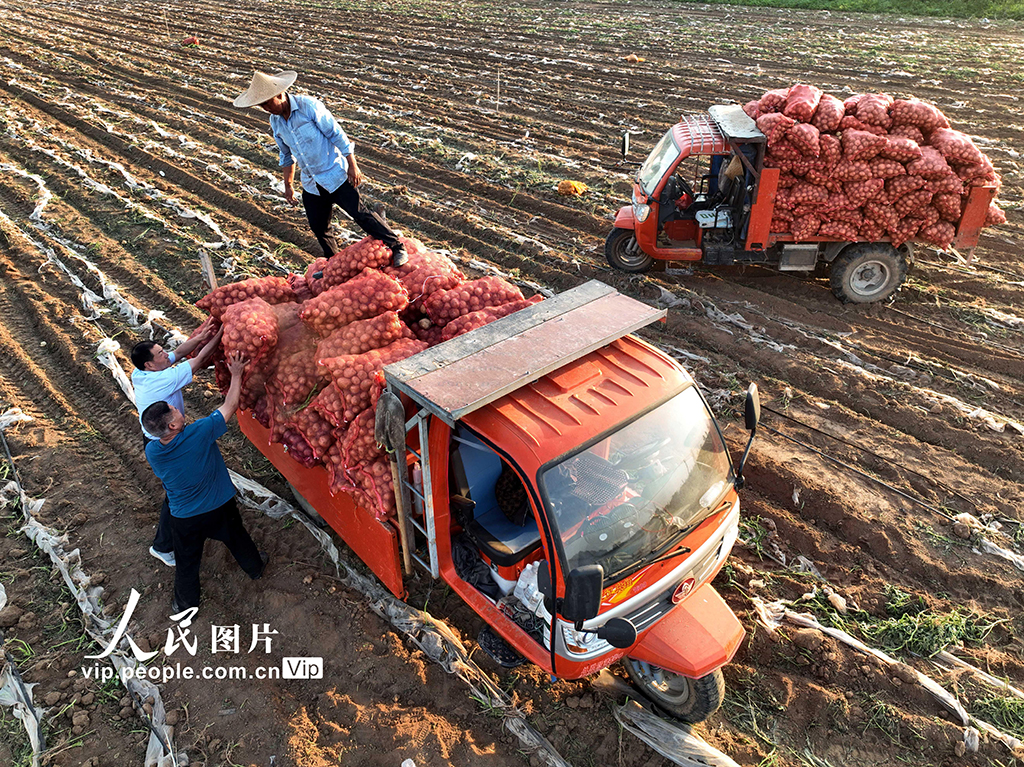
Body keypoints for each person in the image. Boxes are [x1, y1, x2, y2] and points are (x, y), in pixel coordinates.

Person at [232, 70, 408, 267]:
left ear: (279, 94)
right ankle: (335, 264)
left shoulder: (309, 107)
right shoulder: (276, 122)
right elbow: (285, 155)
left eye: (266, 103)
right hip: (311, 182)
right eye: (261, 105)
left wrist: (353, 165)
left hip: (334, 173)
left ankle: (397, 246)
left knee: (360, 214)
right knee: (319, 227)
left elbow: (337, 134)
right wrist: (288, 185)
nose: (265, 108)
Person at [141, 352, 267, 613]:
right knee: (237, 538)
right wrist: (235, 374)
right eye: (174, 410)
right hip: (218, 505)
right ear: (174, 425)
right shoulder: (199, 432)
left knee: (187, 561)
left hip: (184, 516)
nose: (178, 408)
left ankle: (185, 605)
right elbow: (230, 406)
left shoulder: (153, 451)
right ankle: (255, 569)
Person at [131, 320, 222, 567]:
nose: (166, 354)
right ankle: (162, 546)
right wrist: (221, 333)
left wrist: (201, 333)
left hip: (157, 433)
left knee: (180, 490)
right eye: (160, 353)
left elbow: (180, 352)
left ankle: (202, 515)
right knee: (176, 494)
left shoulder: (140, 372)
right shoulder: (163, 379)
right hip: (165, 442)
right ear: (150, 364)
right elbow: (201, 359)